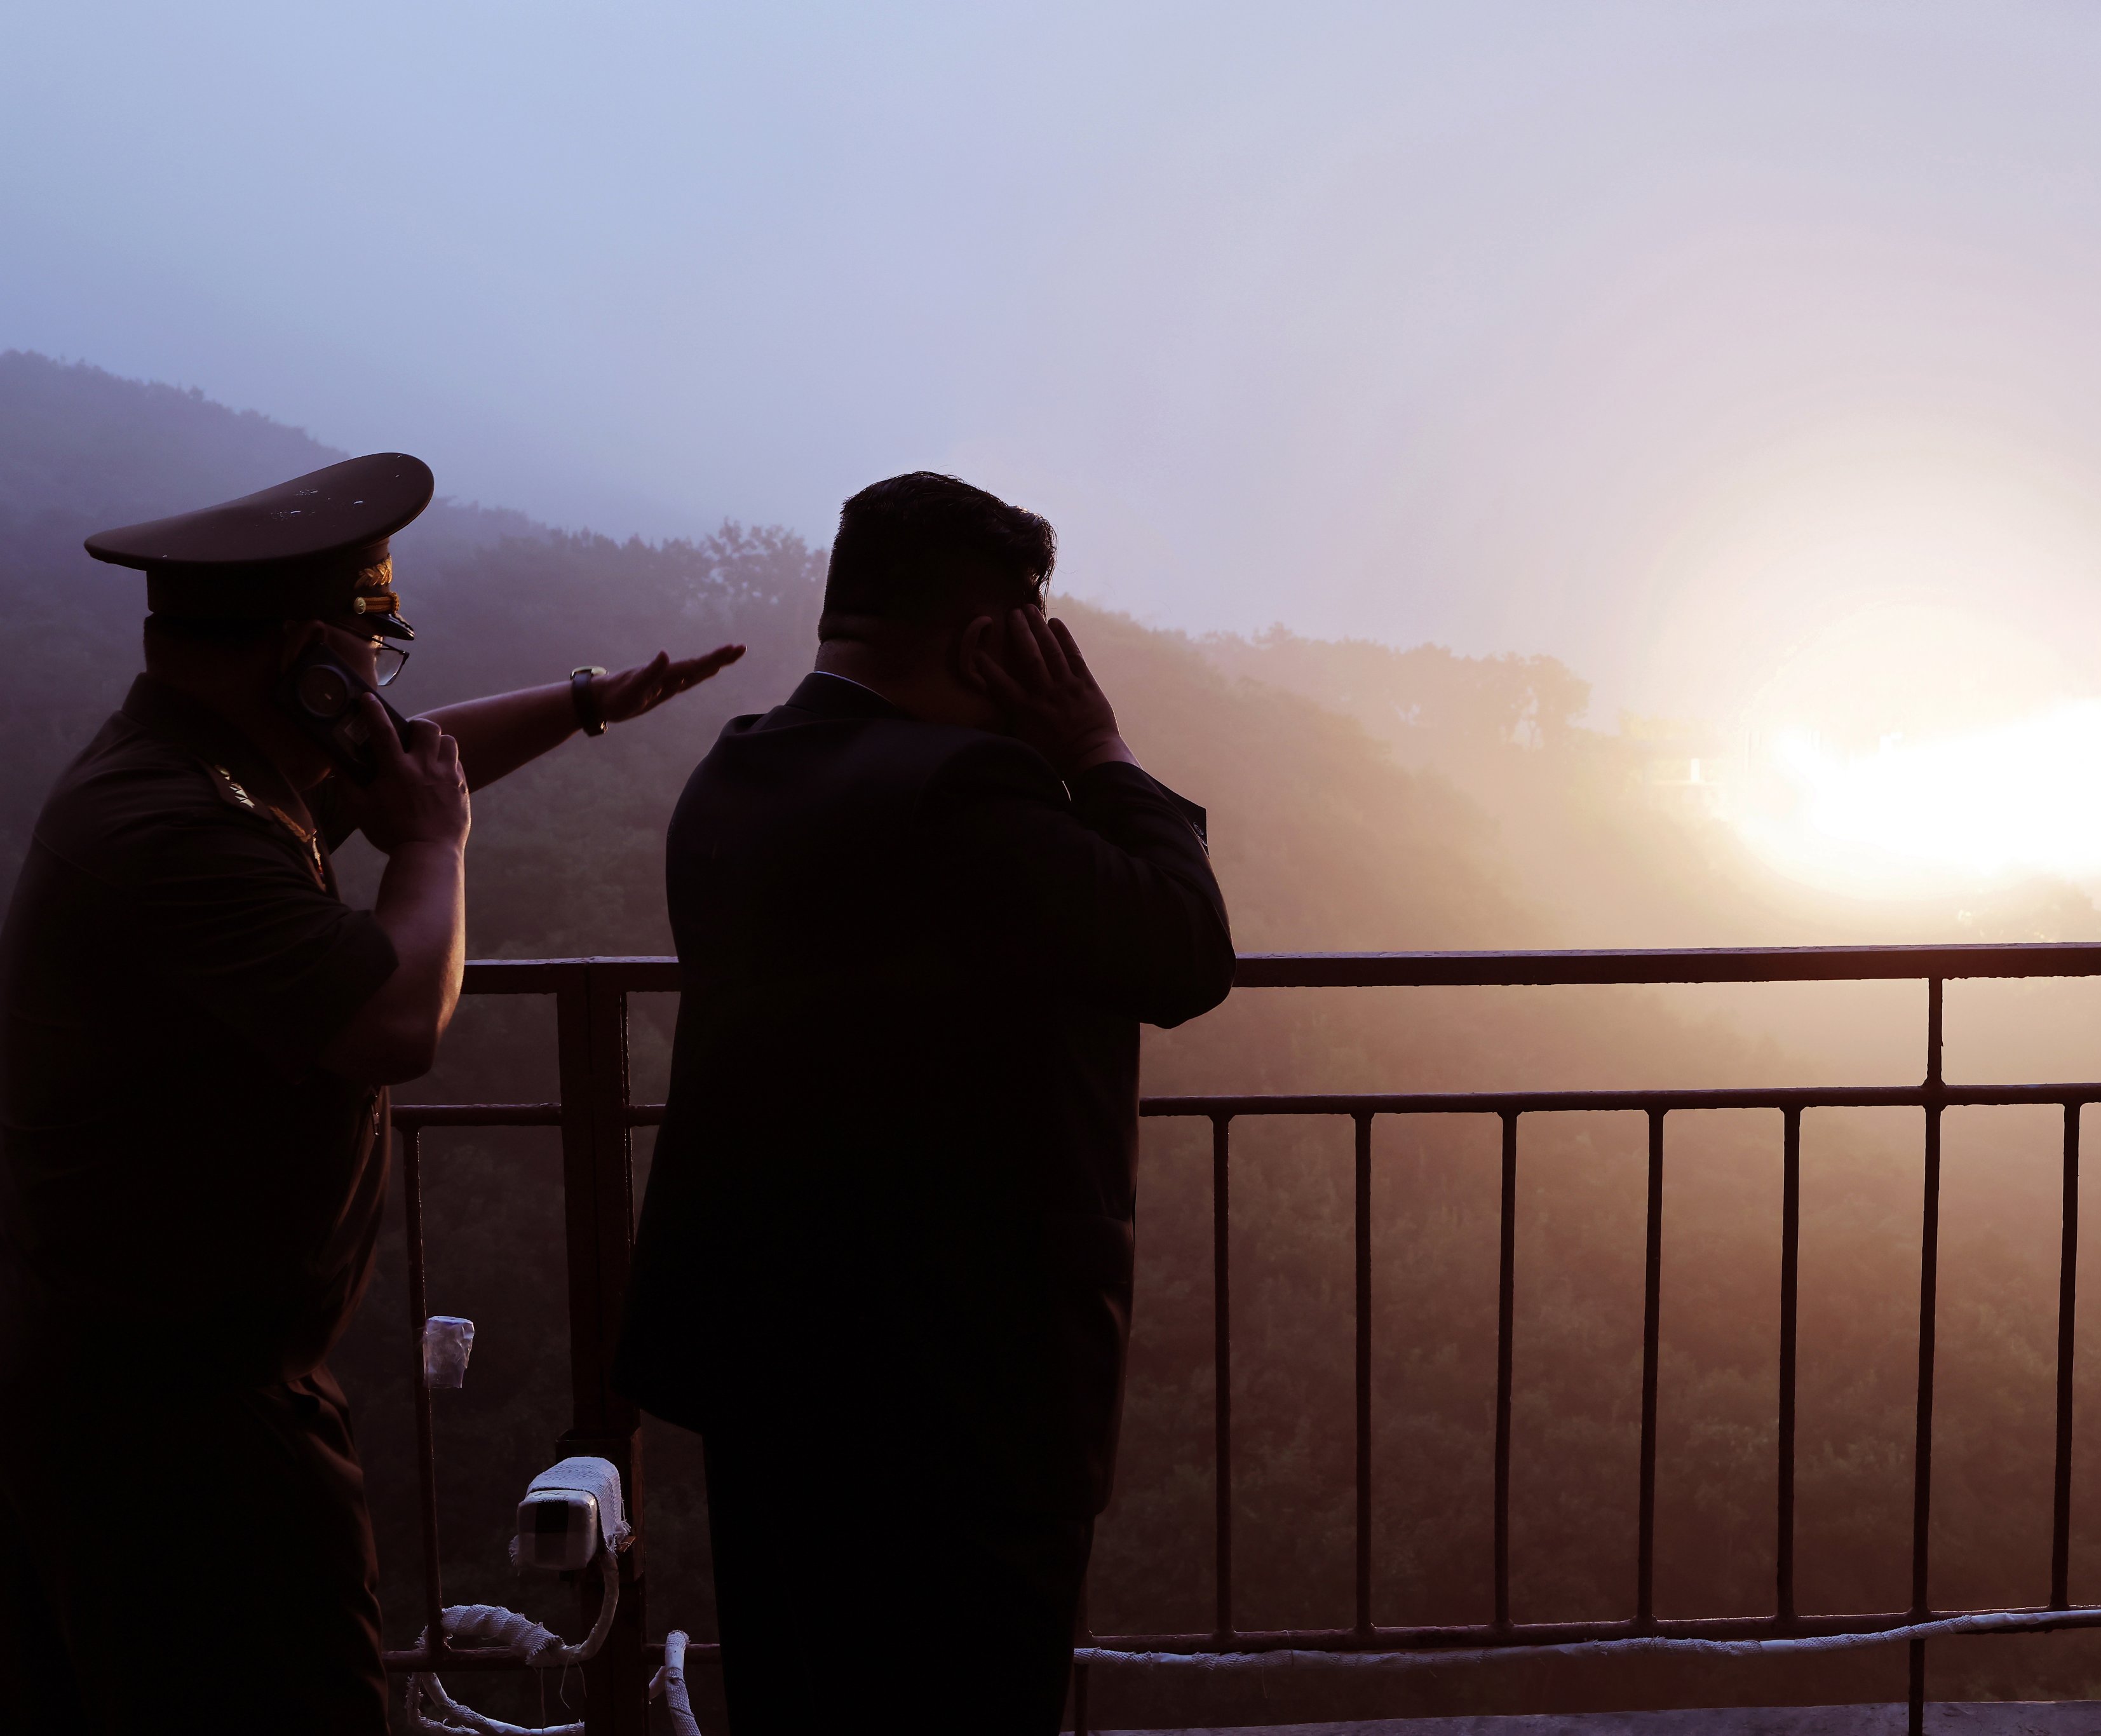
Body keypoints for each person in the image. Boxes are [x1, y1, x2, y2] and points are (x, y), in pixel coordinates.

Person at [0, 452, 744, 1733]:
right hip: (172, 1426)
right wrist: (434, 850)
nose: (381, 691)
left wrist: (587, 703)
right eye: (369, 652)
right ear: (305, 657)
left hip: (164, 1385)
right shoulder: (174, 826)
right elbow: (396, 1017)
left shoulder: (207, 765)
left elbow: (409, 758)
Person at [615, 471, 1236, 1733]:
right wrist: (1096, 748)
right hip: (959, 1403)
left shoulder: (735, 772)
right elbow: (1181, 948)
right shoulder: (961, 799)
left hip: (767, 1370)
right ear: (990, 642)